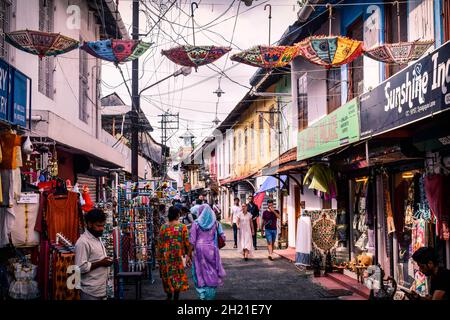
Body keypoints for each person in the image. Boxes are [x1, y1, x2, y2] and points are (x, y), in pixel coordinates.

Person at [75, 208, 113, 300]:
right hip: (90, 292)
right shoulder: (83, 242)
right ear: (89, 224)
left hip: (100, 290)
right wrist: (101, 263)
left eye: (103, 225)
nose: (102, 229)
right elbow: (80, 267)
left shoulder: (96, 237)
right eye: (99, 226)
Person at [189, 204, 226, 300]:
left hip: (199, 250)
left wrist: (188, 254)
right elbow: (223, 237)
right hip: (212, 249)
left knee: (199, 270)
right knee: (211, 270)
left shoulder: (196, 223)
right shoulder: (215, 223)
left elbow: (192, 241)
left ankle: (201, 292)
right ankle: (211, 293)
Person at [157, 206, 191, 301]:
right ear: (177, 215)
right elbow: (187, 243)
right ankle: (176, 296)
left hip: (165, 256)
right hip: (177, 256)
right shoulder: (182, 227)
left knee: (167, 275)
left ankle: (168, 295)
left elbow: (160, 244)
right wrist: (189, 256)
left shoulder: (163, 227)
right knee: (177, 276)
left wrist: (159, 258)